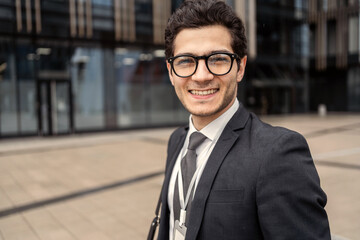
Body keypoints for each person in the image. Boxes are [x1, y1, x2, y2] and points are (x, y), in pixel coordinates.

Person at [157, 0, 331, 239]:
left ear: (240, 68)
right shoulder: (177, 141)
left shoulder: (277, 153)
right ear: (171, 72)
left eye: (217, 58)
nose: (201, 76)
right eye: (186, 61)